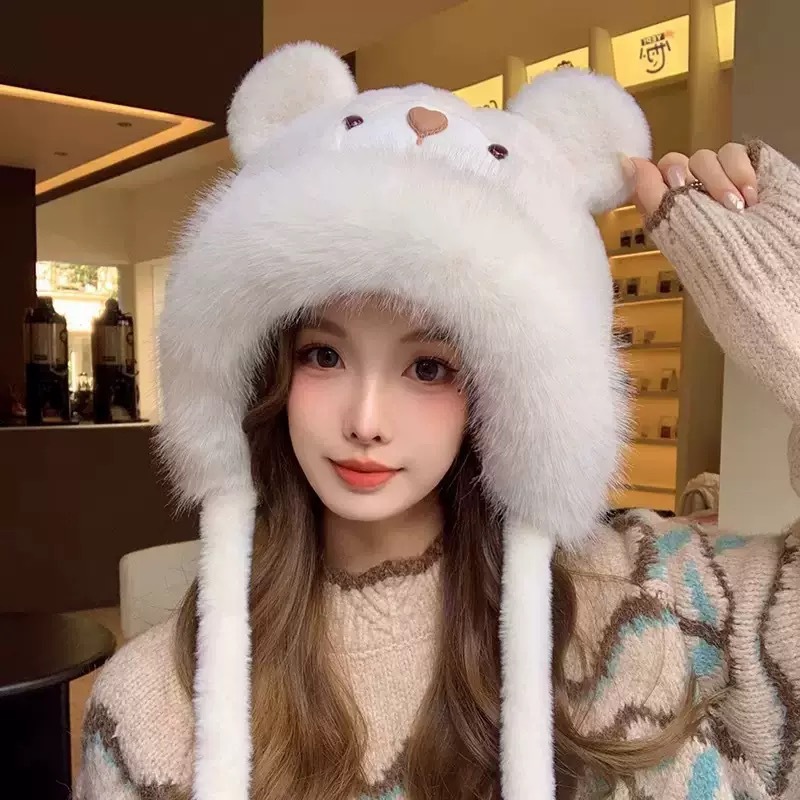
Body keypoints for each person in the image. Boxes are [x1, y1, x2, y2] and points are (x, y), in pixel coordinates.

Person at [75, 42, 799, 800]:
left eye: (428, 368)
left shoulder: (641, 597)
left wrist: (790, 323)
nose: (365, 421)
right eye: (323, 355)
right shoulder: (154, 710)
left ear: (502, 391)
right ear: (267, 370)